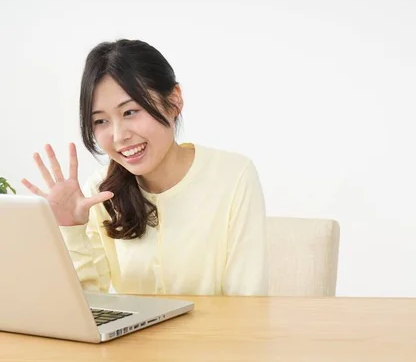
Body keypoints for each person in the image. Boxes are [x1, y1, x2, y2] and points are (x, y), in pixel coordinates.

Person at [21, 39, 268, 296]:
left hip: (215, 337)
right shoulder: (99, 192)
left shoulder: (233, 176)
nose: (118, 136)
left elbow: (248, 302)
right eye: (101, 121)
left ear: (174, 101)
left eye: (129, 112)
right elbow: (88, 310)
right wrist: (71, 230)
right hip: (132, 338)